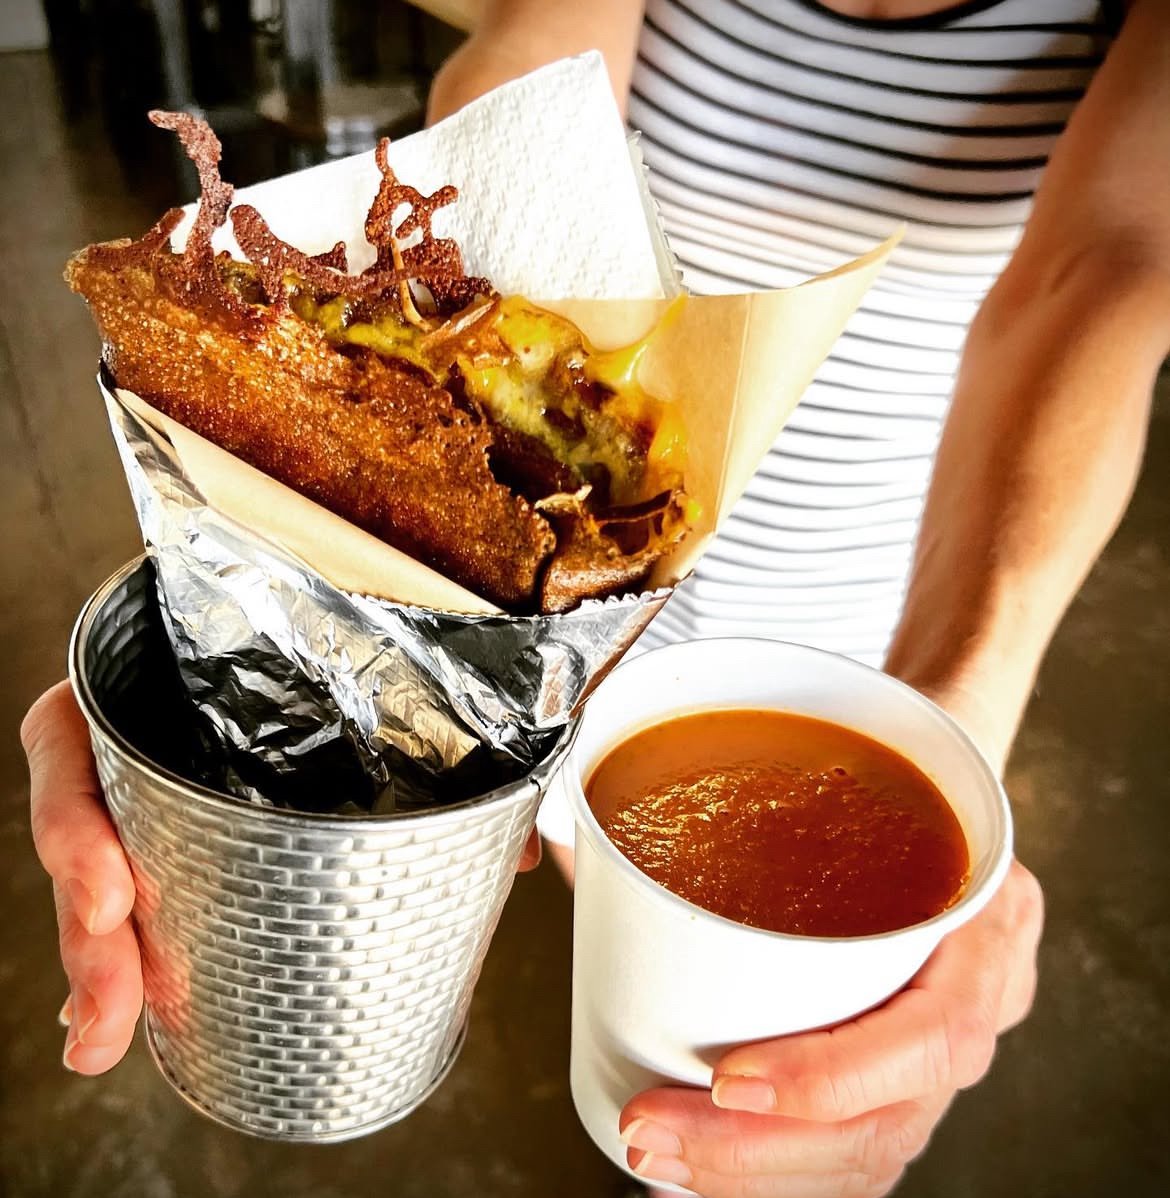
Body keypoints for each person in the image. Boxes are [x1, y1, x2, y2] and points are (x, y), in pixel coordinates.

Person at [22, 1, 1169, 1195]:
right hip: (540, 681)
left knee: (754, 1111)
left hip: (870, 663)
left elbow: (1102, 269)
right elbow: (517, 122)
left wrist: (953, 725)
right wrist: (214, 601)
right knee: (654, 1092)